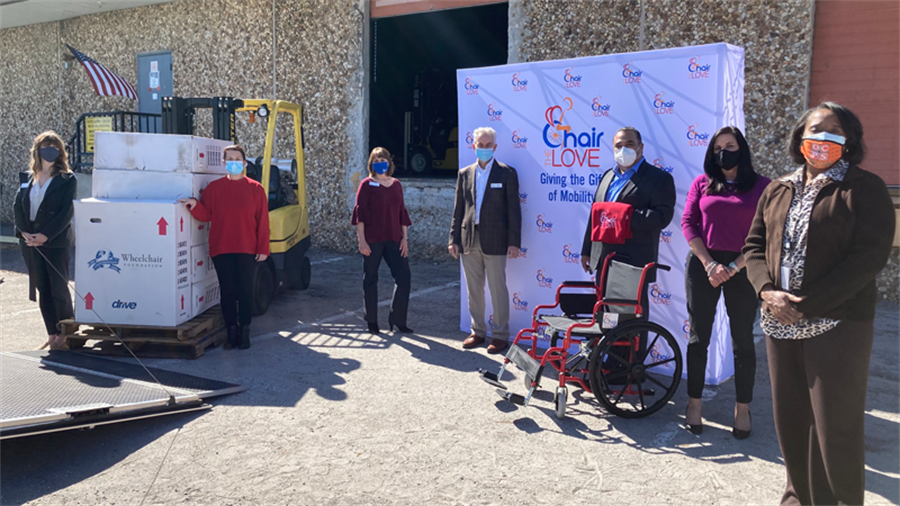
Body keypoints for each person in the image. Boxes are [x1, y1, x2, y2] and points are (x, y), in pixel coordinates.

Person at [744, 102, 894, 506]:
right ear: (800, 137)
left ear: (849, 142)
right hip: (780, 323)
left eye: (833, 132)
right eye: (816, 130)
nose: (822, 140)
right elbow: (754, 247)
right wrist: (767, 292)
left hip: (839, 324)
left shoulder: (865, 188)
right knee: (792, 423)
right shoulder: (778, 189)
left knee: (835, 429)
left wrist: (807, 304)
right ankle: (798, 498)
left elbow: (869, 257)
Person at [681, 126, 770, 437]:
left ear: (741, 149)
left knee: (742, 339)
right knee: (698, 338)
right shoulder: (702, 183)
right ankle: (693, 404)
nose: (723, 152)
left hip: (744, 267)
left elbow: (766, 234)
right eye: (718, 146)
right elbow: (689, 224)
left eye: (730, 145)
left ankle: (742, 408)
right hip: (703, 266)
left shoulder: (762, 187)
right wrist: (709, 264)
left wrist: (733, 266)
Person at [580, 126, 675, 352]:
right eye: (618, 146)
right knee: (606, 316)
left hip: (633, 262)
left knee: (631, 318)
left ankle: (631, 371)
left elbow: (662, 216)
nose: (624, 149)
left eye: (629, 145)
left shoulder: (658, 178)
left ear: (641, 148)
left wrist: (623, 217)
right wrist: (586, 250)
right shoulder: (607, 176)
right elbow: (596, 215)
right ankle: (606, 363)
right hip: (603, 259)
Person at [181, 145, 269, 350]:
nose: (234, 162)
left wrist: (263, 248)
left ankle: (245, 331)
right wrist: (194, 205)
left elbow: (262, 221)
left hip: (247, 247)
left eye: (238, 158)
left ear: (245, 163)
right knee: (227, 291)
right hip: (222, 247)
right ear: (223, 163)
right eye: (230, 159)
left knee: (245, 290)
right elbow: (207, 215)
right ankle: (231, 332)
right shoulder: (214, 189)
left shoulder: (256, 189)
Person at [449, 126, 521, 354]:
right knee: (474, 289)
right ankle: (477, 331)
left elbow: (514, 211)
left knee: (498, 289)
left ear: (495, 147)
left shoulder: (507, 173)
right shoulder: (464, 174)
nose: (484, 149)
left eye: (488, 145)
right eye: (480, 145)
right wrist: (453, 239)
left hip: (497, 240)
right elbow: (457, 210)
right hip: (469, 239)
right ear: (473, 146)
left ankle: (500, 335)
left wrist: (514, 241)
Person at [14, 131, 77, 351]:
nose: (50, 150)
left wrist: (46, 235)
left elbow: (66, 212)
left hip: (55, 242)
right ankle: (51, 334)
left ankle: (66, 334)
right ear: (37, 151)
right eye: (45, 146)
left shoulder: (67, 179)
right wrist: (24, 232)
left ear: (60, 151)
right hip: (31, 242)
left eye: (55, 146)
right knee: (43, 289)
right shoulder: (27, 178)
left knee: (59, 288)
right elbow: (18, 207)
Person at [351, 147, 413, 335]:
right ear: (371, 164)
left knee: (404, 278)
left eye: (383, 159)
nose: (380, 163)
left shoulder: (396, 185)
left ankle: (397, 319)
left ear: (389, 162)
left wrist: (405, 238)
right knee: (370, 279)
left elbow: (402, 212)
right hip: (373, 240)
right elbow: (360, 214)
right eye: (376, 160)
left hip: (394, 238)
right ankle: (372, 321)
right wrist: (361, 241)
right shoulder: (366, 184)